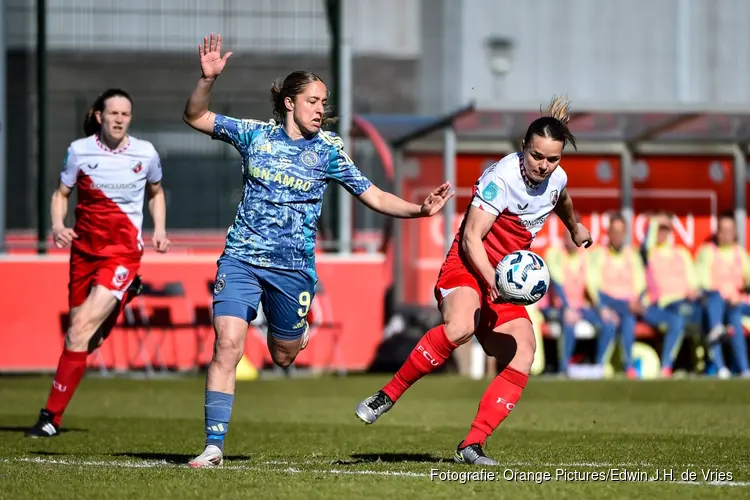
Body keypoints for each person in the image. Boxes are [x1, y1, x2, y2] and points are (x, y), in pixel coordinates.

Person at [182, 33, 453, 468]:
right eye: (313, 101)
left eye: (324, 102)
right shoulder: (255, 136)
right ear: (289, 102)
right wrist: (206, 79)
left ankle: (295, 333)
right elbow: (195, 116)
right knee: (227, 345)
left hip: (292, 270)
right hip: (242, 258)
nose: (320, 109)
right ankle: (214, 445)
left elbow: (373, 194)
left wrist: (419, 210)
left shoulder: (328, 151)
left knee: (284, 354)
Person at [355, 96, 593, 465]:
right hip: (468, 265)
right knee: (461, 327)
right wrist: (491, 279)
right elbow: (470, 238)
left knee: (523, 351)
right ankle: (387, 395)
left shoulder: (556, 178)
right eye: (536, 156)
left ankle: (473, 445)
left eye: (552, 159)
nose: (544, 166)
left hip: (505, 278)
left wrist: (574, 227)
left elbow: (561, 197)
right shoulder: (501, 179)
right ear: (523, 149)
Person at [26, 88, 171, 438]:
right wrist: (58, 226)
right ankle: (125, 296)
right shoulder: (79, 151)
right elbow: (61, 194)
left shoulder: (145, 153)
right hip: (83, 253)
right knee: (84, 340)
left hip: (121, 253)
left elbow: (156, 192)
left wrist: (160, 230)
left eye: (126, 114)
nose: (120, 119)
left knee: (77, 333)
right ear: (99, 116)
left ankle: (50, 418)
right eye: (114, 113)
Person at [639, 211, 699, 377]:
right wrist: (655, 221)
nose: (661, 231)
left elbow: (693, 283)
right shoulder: (651, 252)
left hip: (684, 304)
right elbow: (647, 244)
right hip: (659, 306)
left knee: (705, 312)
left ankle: (709, 365)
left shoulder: (681, 253)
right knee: (676, 319)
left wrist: (692, 292)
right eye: (659, 228)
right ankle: (666, 366)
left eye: (665, 228)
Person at [585, 213, 646, 378]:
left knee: (628, 319)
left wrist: (638, 301)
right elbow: (592, 284)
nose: (617, 236)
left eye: (621, 232)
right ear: (609, 233)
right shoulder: (599, 254)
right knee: (611, 321)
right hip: (607, 302)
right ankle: (600, 364)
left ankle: (628, 365)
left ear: (625, 234)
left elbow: (641, 283)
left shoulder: (632, 255)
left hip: (628, 304)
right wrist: (602, 308)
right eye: (614, 232)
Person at [695, 211, 750, 378]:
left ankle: (742, 367)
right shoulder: (707, 252)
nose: (726, 234)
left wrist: (738, 296)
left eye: (729, 230)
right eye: (722, 230)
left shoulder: (740, 253)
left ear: (735, 233)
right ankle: (724, 367)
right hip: (717, 302)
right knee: (719, 309)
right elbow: (703, 282)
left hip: (739, 303)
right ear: (717, 233)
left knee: (733, 314)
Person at [544, 214, 601, 373]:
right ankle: (564, 367)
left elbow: (592, 286)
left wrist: (601, 309)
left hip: (580, 307)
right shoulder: (554, 254)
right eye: (568, 235)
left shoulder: (586, 256)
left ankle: (599, 366)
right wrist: (568, 308)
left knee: (608, 321)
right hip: (555, 308)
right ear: (563, 237)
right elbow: (557, 283)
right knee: (568, 320)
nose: (572, 239)